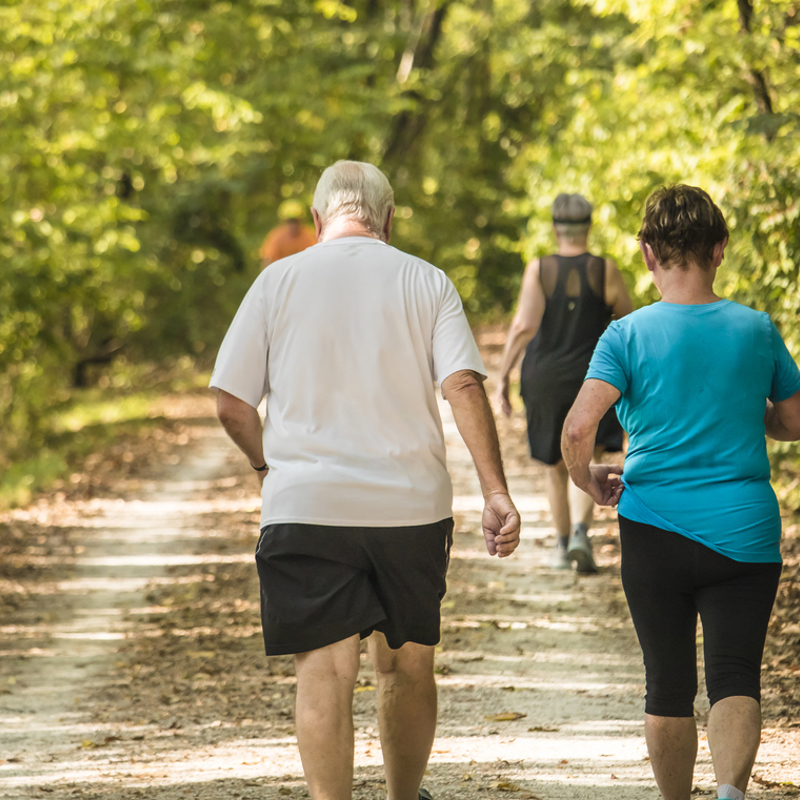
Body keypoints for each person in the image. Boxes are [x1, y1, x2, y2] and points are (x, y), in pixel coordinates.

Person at [210, 160, 521, 800]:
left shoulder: (277, 281)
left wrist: (268, 466)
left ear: (319, 220)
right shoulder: (427, 280)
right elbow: (461, 383)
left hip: (306, 507)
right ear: (389, 218)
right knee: (406, 669)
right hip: (408, 509)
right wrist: (495, 490)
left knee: (323, 676)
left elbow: (230, 404)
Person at [561, 184, 800, 800]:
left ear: (646, 254)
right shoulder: (756, 328)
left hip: (653, 525)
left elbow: (577, 429)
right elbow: (794, 422)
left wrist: (588, 482)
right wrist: (755, 418)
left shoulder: (625, 335)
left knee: (667, 681)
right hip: (744, 528)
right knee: (736, 675)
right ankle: (728, 793)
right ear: (719, 249)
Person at [495, 193, 632, 572]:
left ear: (556, 229)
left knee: (555, 464)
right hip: (595, 377)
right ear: (588, 228)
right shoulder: (606, 270)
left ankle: (560, 547)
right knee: (590, 457)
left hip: (546, 378)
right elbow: (628, 322)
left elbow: (523, 326)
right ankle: (580, 536)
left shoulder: (539, 269)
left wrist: (503, 374)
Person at [259, 199, 317, 268]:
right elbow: (267, 261)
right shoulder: (276, 237)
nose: (293, 225)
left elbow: (318, 257)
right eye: (290, 221)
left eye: (296, 221)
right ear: (283, 222)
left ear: (302, 220)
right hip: (281, 274)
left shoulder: (310, 235)